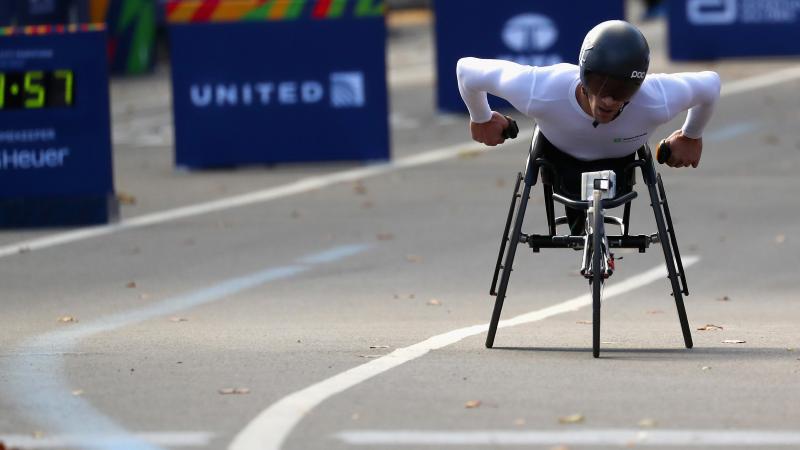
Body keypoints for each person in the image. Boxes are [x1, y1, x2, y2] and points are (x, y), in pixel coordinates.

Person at [457, 20, 720, 235]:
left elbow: (711, 84)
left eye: (621, 90)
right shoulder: (541, 88)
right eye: (599, 84)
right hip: (557, 164)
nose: (608, 99)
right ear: (583, 75)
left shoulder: (656, 98)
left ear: (638, 86)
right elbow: (466, 70)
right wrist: (481, 118)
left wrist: (691, 136)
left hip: (623, 166)